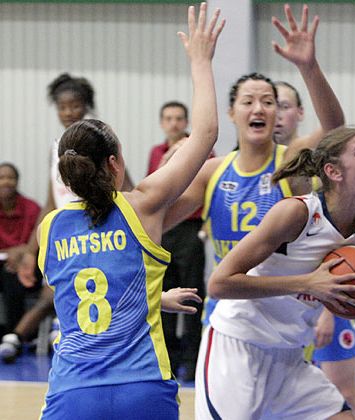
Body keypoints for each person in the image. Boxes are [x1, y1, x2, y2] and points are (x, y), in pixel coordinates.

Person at [37, 4, 224, 419]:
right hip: (143, 386)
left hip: (73, 391)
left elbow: (91, 296)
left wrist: (151, 299)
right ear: (116, 164)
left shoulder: (49, 229)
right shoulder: (145, 204)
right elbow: (207, 133)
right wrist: (200, 60)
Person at [164, 4, 344, 330]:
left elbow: (333, 129)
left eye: (268, 101)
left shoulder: (290, 161)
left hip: (283, 312)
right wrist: (166, 171)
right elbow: (157, 220)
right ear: (232, 113)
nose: (258, 108)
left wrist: (309, 66)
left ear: (277, 114)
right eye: (248, 101)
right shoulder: (212, 171)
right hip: (229, 311)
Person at [199, 125, 355, 419]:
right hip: (238, 345)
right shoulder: (295, 214)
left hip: (290, 354)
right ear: (334, 172)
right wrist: (308, 283)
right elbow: (220, 284)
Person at [0, 73, 135, 363]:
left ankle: (19, 335)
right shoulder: (56, 147)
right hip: (66, 228)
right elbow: (51, 202)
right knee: (57, 289)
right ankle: (35, 336)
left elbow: (129, 186)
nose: (68, 112)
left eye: (74, 106)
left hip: (99, 225)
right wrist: (29, 250)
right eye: (63, 107)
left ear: (85, 106)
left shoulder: (100, 138)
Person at [274, 78, 355, 419]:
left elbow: (338, 248)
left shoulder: (302, 169)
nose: (276, 113)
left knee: (342, 394)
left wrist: (329, 309)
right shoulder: (230, 168)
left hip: (317, 299)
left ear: (300, 114)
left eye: (284, 106)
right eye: (272, 103)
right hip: (267, 309)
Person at [147, 101, 210, 381]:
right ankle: (168, 362)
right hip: (165, 229)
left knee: (193, 296)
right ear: (162, 122)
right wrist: (168, 158)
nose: (173, 123)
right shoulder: (157, 152)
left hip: (192, 229)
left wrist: (206, 228)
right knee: (164, 296)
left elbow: (210, 189)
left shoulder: (201, 152)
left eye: (178, 118)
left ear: (186, 122)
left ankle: (194, 360)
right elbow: (153, 188)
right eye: (168, 118)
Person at [0, 163, 41, 337]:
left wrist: (21, 253)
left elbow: (40, 241)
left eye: (10, 178)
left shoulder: (32, 208)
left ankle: (14, 334)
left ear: (17, 182)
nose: (6, 182)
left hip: (27, 266)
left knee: (11, 275)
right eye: (1, 178)